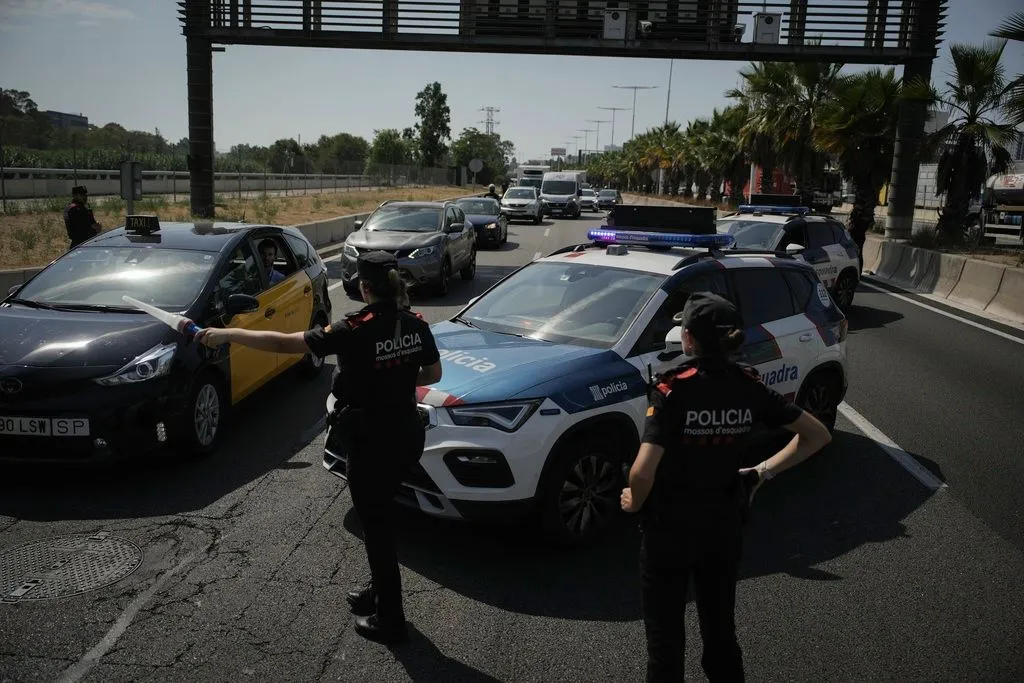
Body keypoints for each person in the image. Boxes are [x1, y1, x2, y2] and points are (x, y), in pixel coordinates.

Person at [195, 250, 442, 645]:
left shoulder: (352, 329)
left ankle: (391, 620)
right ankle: (379, 590)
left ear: (364, 288)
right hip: (407, 436)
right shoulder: (415, 323)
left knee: (376, 528)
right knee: (381, 515)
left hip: (371, 444)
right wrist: (394, 377)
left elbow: (286, 343)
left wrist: (226, 334)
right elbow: (432, 373)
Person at [620, 292, 832, 682]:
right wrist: (761, 472)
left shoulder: (672, 389)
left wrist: (634, 500)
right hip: (722, 529)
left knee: (665, 649)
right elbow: (817, 435)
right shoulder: (748, 385)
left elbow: (642, 471)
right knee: (720, 637)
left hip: (669, 533)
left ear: (688, 339)